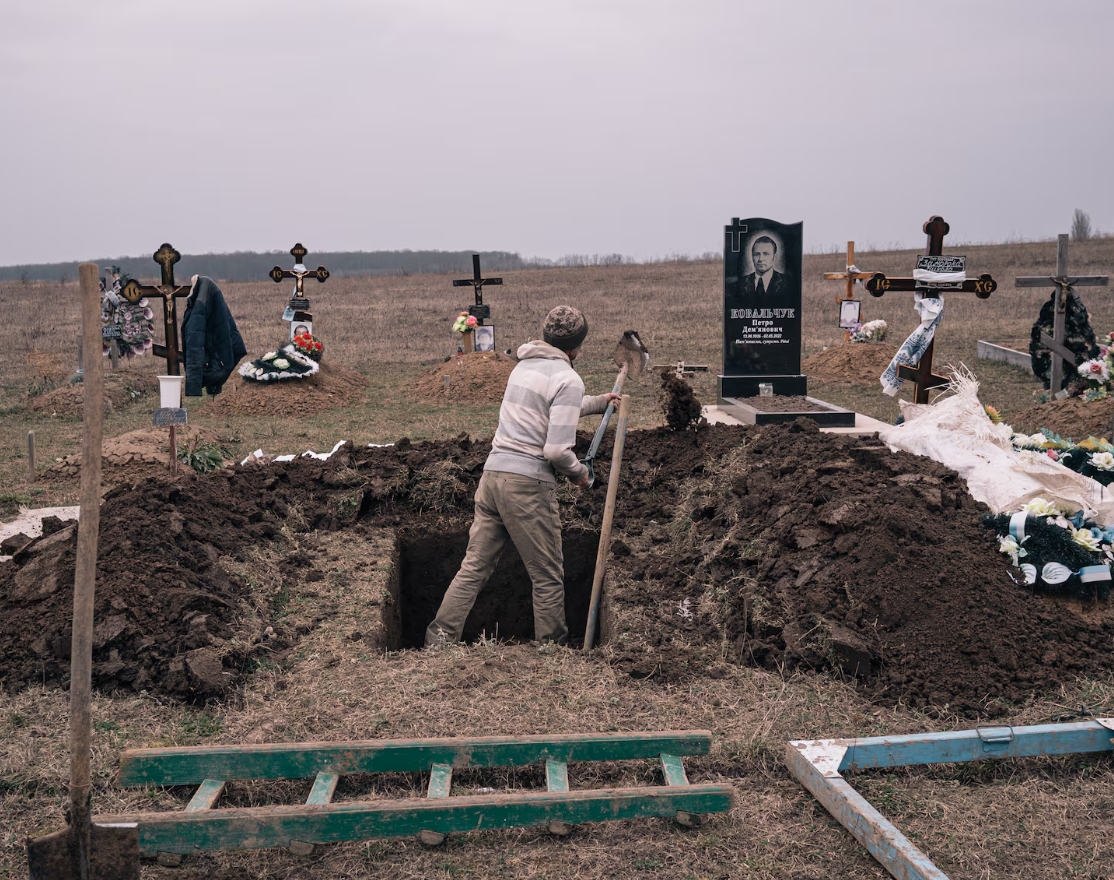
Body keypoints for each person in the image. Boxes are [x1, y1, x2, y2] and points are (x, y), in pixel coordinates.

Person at [425, 306, 621, 647]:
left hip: (493, 477)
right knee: (547, 577)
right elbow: (557, 452)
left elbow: (554, 405)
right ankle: (552, 651)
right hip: (527, 487)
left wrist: (600, 402)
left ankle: (438, 639)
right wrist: (581, 476)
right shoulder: (568, 379)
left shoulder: (522, 368)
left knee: (474, 568)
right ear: (576, 347)